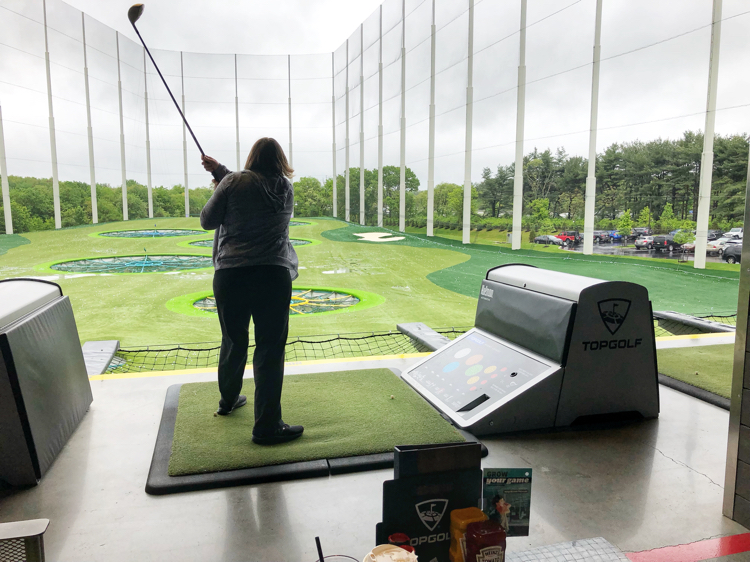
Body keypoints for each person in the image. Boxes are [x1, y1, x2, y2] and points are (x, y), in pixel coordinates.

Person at [200, 137, 303, 445]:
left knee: (234, 340)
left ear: (251, 157)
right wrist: (220, 171)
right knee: (270, 350)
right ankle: (267, 426)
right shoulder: (285, 188)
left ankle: (228, 400)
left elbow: (207, 220)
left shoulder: (232, 182)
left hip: (232, 276)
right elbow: (252, 188)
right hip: (273, 275)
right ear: (279, 161)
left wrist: (221, 179)